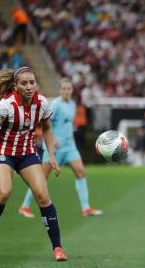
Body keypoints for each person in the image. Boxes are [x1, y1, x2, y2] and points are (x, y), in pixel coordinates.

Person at [0, 67, 67, 263]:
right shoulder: (6, 105)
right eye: (24, 83)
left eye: (32, 83)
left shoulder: (43, 103)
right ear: (16, 86)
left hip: (27, 153)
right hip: (3, 152)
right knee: (4, 192)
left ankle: (58, 248)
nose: (29, 87)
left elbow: (46, 128)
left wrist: (51, 155)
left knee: (43, 196)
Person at [18, 78, 102, 218]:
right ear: (60, 90)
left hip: (69, 147)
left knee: (81, 172)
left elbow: (68, 125)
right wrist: (53, 140)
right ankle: (24, 206)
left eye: (69, 89)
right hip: (54, 148)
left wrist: (71, 142)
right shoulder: (55, 105)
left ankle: (86, 208)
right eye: (64, 89)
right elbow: (46, 123)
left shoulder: (73, 104)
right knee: (41, 178)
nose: (66, 91)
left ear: (72, 90)